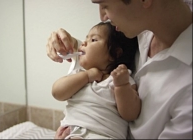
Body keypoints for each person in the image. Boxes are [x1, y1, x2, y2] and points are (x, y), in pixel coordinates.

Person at [46, 0, 192, 139]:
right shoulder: (139, 27)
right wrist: (69, 45)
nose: (103, 17)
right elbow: (103, 55)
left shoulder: (187, 92)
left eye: (105, 5)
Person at [52, 21, 141, 139]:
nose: (83, 43)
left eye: (93, 40)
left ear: (114, 53)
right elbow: (57, 92)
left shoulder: (121, 79)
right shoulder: (79, 75)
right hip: (70, 133)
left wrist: (121, 86)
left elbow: (130, 114)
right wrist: (87, 76)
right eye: (86, 38)